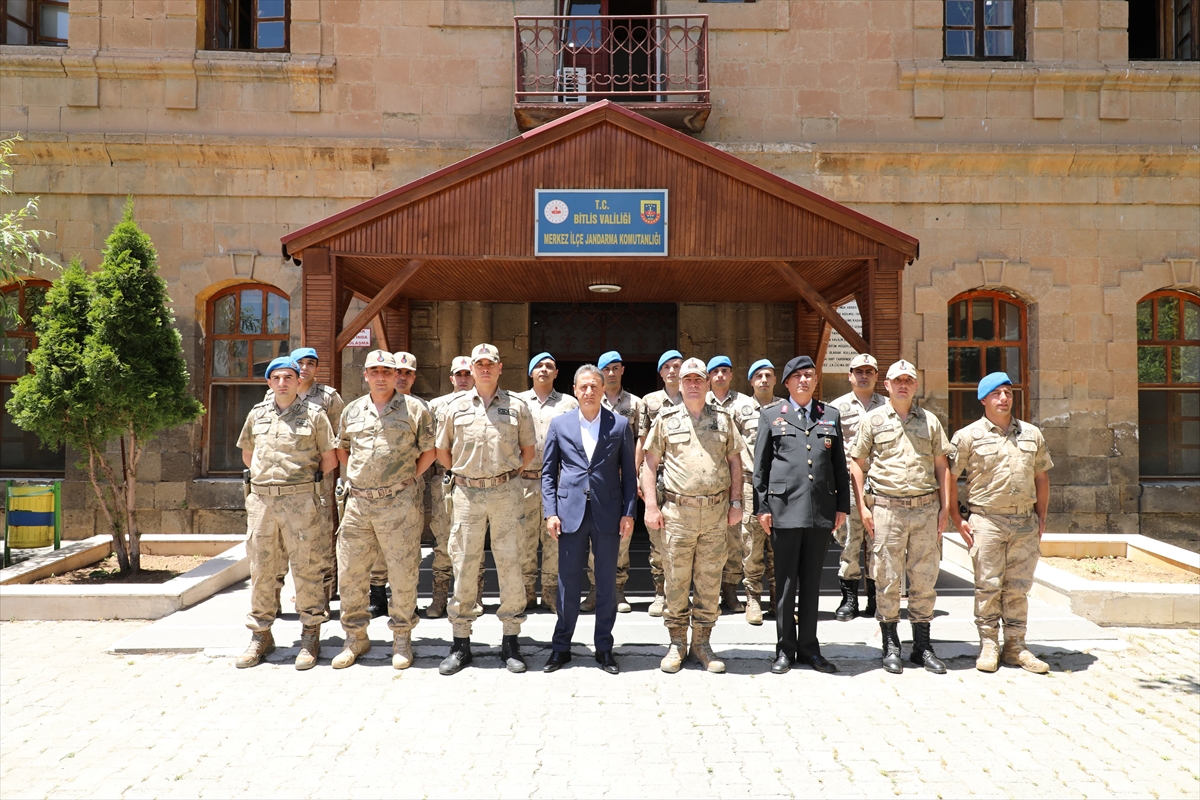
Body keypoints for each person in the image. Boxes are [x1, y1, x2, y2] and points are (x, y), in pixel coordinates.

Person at [330, 350, 437, 670]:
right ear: (365, 375)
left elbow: (429, 452)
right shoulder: (352, 410)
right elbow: (342, 450)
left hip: (399, 504)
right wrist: (364, 480)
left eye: (387, 371)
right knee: (350, 574)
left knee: (403, 573)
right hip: (359, 504)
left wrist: (402, 481)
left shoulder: (415, 409)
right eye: (374, 371)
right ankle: (355, 638)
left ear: (396, 375)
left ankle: (402, 637)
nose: (380, 376)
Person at [434, 343, 536, 675]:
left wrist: (502, 476)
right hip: (466, 494)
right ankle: (460, 643)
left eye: (490, 363)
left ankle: (511, 641)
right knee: (464, 565)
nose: (485, 369)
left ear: (500, 367)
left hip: (506, 492)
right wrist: (466, 475)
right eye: (479, 364)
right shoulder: (455, 406)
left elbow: (528, 452)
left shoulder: (517, 406)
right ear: (472, 369)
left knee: (510, 564)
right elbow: (442, 452)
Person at [849, 359, 953, 675]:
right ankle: (891, 644)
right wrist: (863, 507)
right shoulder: (873, 420)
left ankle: (922, 645)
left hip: (924, 509)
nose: (903, 385)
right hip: (886, 509)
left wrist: (945, 508)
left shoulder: (930, 421)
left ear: (916, 386)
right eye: (898, 380)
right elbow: (856, 463)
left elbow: (941, 466)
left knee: (924, 578)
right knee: (887, 577)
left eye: (909, 380)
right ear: (888, 386)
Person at [642, 358, 745, 674]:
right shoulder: (666, 419)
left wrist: (736, 502)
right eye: (687, 379)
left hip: (715, 514)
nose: (692, 384)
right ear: (681, 383)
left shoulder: (724, 419)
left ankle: (702, 643)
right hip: (677, 513)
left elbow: (735, 464)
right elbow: (649, 464)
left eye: (698, 379)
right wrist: (650, 506)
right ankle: (676, 643)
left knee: (709, 581)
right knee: (675, 580)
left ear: (707, 382)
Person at [235, 356, 338, 670]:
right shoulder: (257, 414)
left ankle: (310, 635)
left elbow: (329, 459)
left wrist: (300, 483)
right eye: (276, 378)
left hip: (301, 503)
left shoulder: (315, 415)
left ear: (297, 382)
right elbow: (248, 453)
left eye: (289, 377)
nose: (283, 383)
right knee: (262, 570)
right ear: (269, 382)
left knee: (307, 569)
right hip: (263, 503)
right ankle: (261, 635)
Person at [948, 372, 1053, 674]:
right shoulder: (967, 437)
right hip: (987, 521)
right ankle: (989, 645)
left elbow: (1042, 476)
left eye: (1008, 392)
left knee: (1018, 587)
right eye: (996, 393)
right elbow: (950, 477)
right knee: (988, 586)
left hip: (1024, 522)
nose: (1004, 398)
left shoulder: (1032, 434)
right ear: (984, 399)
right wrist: (957, 517)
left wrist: (1041, 516)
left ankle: (1016, 646)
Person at [753, 356, 849, 674]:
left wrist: (842, 507)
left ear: (815, 381)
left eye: (809, 375)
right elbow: (761, 467)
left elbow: (838, 466)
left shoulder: (829, 415)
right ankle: (784, 649)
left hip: (820, 511)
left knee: (811, 584)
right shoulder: (771, 416)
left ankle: (809, 648)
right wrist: (763, 507)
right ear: (788, 383)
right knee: (785, 583)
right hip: (783, 510)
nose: (804, 381)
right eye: (797, 376)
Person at [541, 364, 637, 675]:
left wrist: (628, 513)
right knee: (567, 583)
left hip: (607, 513)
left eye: (594, 386)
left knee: (606, 584)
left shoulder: (620, 425)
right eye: (583, 386)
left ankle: (605, 648)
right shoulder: (560, 425)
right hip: (569, 514)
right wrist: (550, 512)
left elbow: (629, 476)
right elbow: (548, 474)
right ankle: (561, 648)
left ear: (602, 388)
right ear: (574, 389)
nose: (589, 391)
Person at [264, 347, 343, 609]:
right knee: (276, 541)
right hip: (280, 482)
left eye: (311, 363)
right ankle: (272, 599)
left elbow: (337, 440)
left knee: (319, 536)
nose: (306, 367)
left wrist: (318, 474)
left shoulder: (329, 398)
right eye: (301, 363)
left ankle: (322, 594)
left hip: (317, 479)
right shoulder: (272, 394)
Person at [518, 352, 578, 614]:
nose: (544, 369)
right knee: (524, 540)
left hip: (557, 482)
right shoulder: (517, 402)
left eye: (549, 366)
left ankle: (551, 593)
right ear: (531, 372)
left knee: (555, 540)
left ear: (556, 373)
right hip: (523, 482)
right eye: (538, 366)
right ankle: (526, 592)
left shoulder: (569, 404)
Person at [584, 350, 643, 614]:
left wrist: (633, 469)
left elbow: (641, 438)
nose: (610, 373)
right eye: (605, 369)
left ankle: (618, 590)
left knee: (622, 536)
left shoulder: (635, 403)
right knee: (592, 537)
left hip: (622, 480)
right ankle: (595, 590)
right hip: (596, 480)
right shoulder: (590, 400)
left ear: (622, 370)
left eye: (615, 368)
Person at [829, 353, 886, 621]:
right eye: (858, 371)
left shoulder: (888, 406)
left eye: (869, 371)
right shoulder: (836, 409)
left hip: (881, 483)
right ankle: (849, 599)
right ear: (849, 375)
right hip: (850, 483)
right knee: (850, 541)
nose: (864, 376)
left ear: (876, 376)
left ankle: (875, 598)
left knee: (878, 541)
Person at [706, 354, 757, 614]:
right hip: (710, 484)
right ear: (708, 376)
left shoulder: (746, 404)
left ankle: (731, 590)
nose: (720, 376)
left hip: (741, 480)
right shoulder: (698, 403)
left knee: (738, 540)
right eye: (715, 371)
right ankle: (709, 593)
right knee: (710, 540)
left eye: (725, 371)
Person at [425, 356, 475, 618]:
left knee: (473, 541)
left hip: (476, 482)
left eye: (468, 373)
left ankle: (473, 598)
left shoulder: (483, 404)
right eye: (460, 374)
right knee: (443, 540)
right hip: (445, 480)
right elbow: (429, 443)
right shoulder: (437, 406)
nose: (464, 378)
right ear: (451, 378)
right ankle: (439, 597)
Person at [637, 349, 685, 617]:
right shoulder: (650, 401)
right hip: (658, 474)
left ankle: (681, 593)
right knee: (658, 538)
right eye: (666, 366)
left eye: (676, 365)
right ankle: (659, 593)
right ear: (660, 372)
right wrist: (637, 474)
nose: (672, 371)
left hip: (686, 477)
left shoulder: (697, 397)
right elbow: (642, 442)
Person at [740, 359, 779, 625]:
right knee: (752, 543)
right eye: (758, 376)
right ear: (751, 381)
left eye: (768, 375)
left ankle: (779, 599)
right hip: (749, 482)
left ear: (775, 380)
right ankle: (753, 598)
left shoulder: (786, 409)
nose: (763, 380)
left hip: (781, 484)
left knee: (779, 542)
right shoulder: (739, 410)